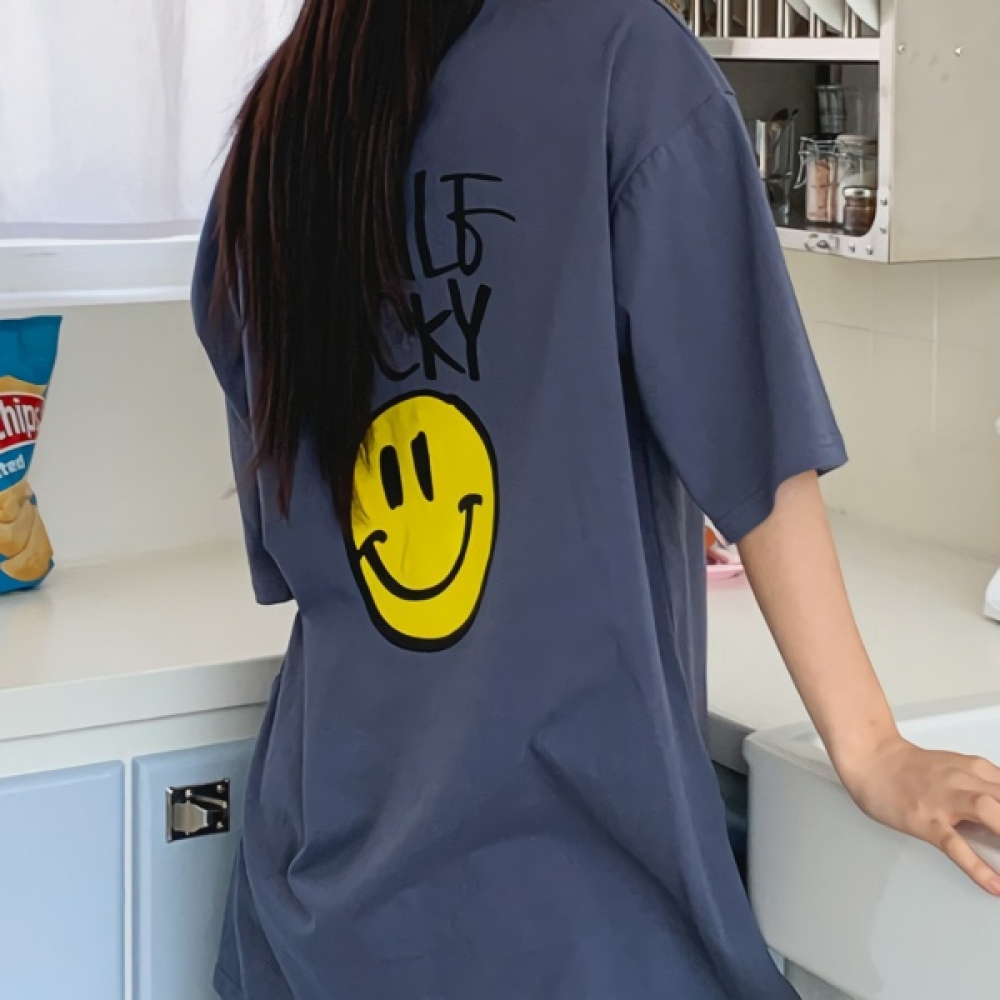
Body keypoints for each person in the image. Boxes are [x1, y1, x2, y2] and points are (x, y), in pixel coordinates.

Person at [192, 0, 1000, 997]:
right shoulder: (627, 65)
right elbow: (754, 446)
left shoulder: (285, 120)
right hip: (564, 914)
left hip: (315, 905)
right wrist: (871, 747)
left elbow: (310, 536)